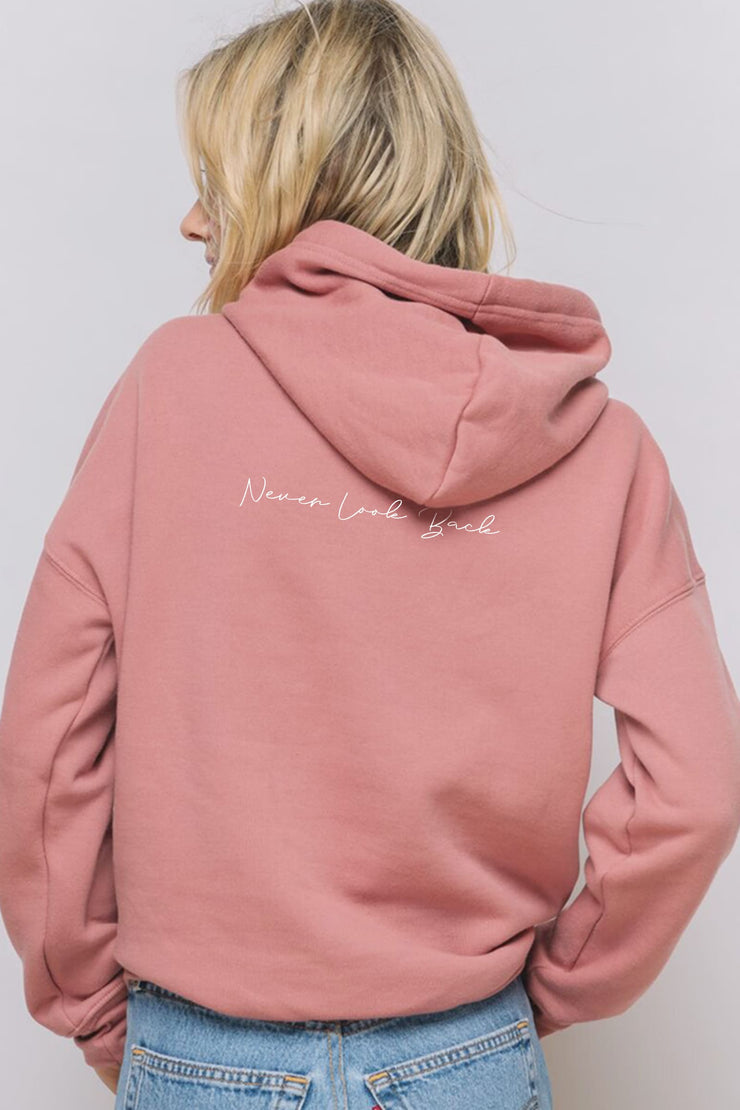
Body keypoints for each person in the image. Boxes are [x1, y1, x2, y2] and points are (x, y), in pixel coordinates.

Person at [1, 0, 739, 1106]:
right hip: (467, 1053)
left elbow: (49, 742)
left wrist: (88, 1004)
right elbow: (693, 785)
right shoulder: (602, 446)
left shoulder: (173, 389)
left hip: (206, 1057)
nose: (192, 223)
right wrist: (553, 993)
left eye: (215, 183)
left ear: (286, 188)